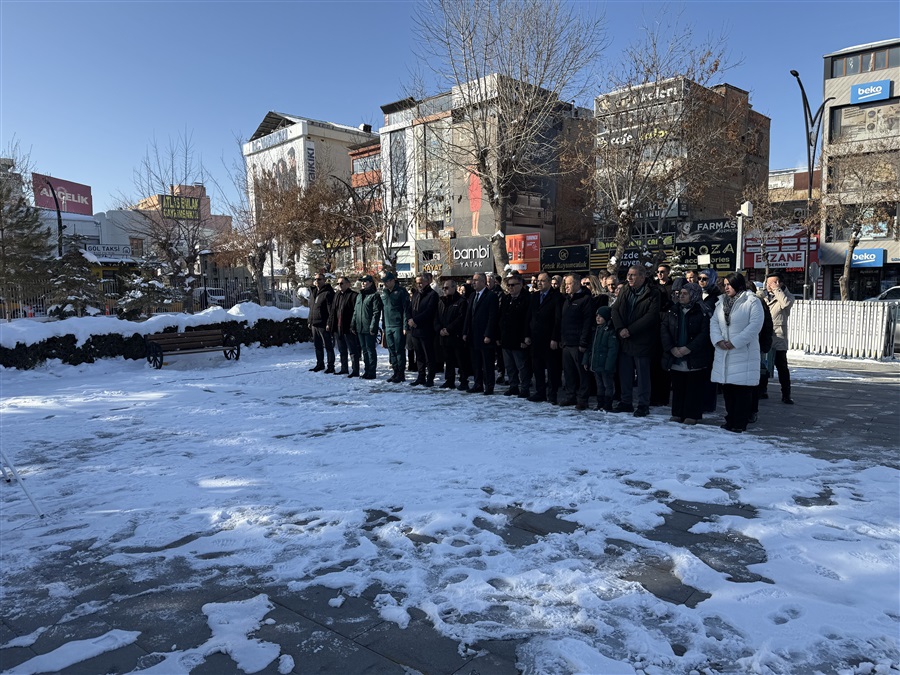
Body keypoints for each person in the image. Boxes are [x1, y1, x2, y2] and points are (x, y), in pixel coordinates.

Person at [710, 273, 764, 433]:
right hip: (724, 352)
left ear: (738, 284)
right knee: (728, 390)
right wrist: (718, 340)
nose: (726, 287)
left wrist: (735, 342)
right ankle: (730, 419)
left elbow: (755, 326)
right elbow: (714, 322)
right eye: (725, 284)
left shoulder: (752, 301)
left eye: (729, 284)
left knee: (742, 390)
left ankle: (740, 422)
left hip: (743, 352)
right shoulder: (721, 302)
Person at [611, 265, 661, 417]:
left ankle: (643, 404)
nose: (629, 277)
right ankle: (626, 402)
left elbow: (651, 316)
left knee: (642, 374)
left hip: (642, 339)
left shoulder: (653, 292)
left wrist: (630, 330)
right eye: (628, 274)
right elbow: (615, 309)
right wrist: (620, 328)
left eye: (633, 275)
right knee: (625, 372)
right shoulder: (625, 290)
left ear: (642, 277)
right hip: (624, 338)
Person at [660, 283, 713, 425]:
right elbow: (664, 329)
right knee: (678, 387)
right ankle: (677, 413)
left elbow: (705, 334)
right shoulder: (673, 310)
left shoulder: (703, 311)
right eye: (680, 293)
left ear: (693, 295)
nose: (681, 296)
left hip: (694, 356)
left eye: (685, 293)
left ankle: (692, 414)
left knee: (693, 388)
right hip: (675, 355)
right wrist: (671, 348)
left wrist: (689, 348)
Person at [525, 271, 562, 403]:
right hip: (536, 338)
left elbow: (558, 319)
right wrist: (527, 335)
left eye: (542, 281)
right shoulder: (534, 296)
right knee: (537, 367)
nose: (539, 283)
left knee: (552, 368)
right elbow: (529, 316)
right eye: (538, 281)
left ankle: (552, 394)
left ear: (549, 282)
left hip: (549, 338)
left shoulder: (557, 296)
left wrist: (555, 338)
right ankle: (540, 392)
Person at [558, 274, 594, 410]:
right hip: (566, 342)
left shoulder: (585, 299)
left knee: (582, 373)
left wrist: (583, 342)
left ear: (577, 284)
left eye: (569, 283)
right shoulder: (566, 299)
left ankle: (583, 399)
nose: (566, 286)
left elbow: (587, 322)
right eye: (565, 284)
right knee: (568, 372)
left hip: (578, 343)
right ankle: (570, 396)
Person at [759, 272, 795, 404]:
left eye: (773, 282)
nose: (769, 285)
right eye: (768, 283)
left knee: (781, 366)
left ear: (780, 283)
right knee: (763, 365)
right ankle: (762, 390)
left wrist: (777, 290)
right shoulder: (762, 295)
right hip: (765, 334)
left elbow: (785, 304)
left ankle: (786, 394)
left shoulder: (787, 296)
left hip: (778, 335)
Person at [463, 272, 499, 395]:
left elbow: (492, 317)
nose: (473, 282)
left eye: (476, 280)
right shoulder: (473, 295)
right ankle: (478, 384)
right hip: (473, 335)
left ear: (483, 282)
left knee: (487, 363)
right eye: (473, 280)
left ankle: (489, 386)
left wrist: (488, 334)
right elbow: (468, 315)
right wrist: (465, 332)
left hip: (484, 335)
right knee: (476, 362)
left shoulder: (491, 296)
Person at [497, 274, 531, 398]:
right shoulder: (506, 298)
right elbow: (501, 318)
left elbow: (527, 320)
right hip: (506, 337)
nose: (510, 287)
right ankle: (513, 386)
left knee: (522, 366)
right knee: (509, 366)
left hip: (519, 338)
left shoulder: (527, 298)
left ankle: (525, 388)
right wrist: (499, 336)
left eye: (513, 285)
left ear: (521, 285)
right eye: (508, 285)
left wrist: (525, 337)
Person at [434, 279, 469, 390]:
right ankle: (449, 380)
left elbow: (461, 318)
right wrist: (439, 329)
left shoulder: (461, 301)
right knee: (448, 360)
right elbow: (436, 317)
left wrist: (449, 329)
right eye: (443, 288)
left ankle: (464, 381)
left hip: (456, 335)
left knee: (460, 360)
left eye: (447, 288)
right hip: (444, 335)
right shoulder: (441, 301)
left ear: (454, 287)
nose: (444, 290)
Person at [380, 271, 411, 383]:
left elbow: (405, 310)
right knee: (391, 350)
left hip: (398, 325)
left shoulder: (401, 292)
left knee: (399, 350)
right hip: (388, 325)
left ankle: (401, 374)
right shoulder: (384, 293)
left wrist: (405, 326)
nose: (385, 284)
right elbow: (384, 310)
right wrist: (384, 327)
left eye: (387, 281)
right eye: (384, 282)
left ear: (393, 280)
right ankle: (395, 372)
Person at [586, 305, 618, 411]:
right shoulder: (596, 330)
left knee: (607, 385)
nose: (598, 318)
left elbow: (612, 350)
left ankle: (607, 404)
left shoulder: (610, 331)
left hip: (605, 365)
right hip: (596, 364)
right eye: (597, 316)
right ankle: (600, 403)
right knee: (599, 385)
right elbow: (591, 347)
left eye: (601, 316)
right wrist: (587, 361)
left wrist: (609, 365)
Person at [408, 275, 438, 387]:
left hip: (426, 329)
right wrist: (409, 319)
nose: (419, 285)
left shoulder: (432, 295)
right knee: (419, 355)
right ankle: (421, 376)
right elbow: (410, 308)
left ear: (427, 282)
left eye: (421, 282)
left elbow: (429, 311)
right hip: (415, 329)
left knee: (428, 355)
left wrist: (415, 320)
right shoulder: (416, 294)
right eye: (417, 283)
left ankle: (430, 378)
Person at [351, 275, 383, 379]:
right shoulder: (360, 295)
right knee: (364, 350)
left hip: (369, 327)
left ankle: (372, 372)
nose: (363, 283)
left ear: (371, 283)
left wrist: (373, 326)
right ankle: (367, 370)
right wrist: (353, 324)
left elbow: (376, 312)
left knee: (370, 350)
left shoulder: (374, 295)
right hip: (360, 327)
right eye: (362, 281)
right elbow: (355, 311)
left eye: (365, 281)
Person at [327, 276, 359, 376]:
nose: (339, 285)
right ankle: (344, 368)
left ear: (348, 284)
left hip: (348, 327)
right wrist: (329, 323)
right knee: (342, 350)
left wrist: (353, 326)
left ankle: (355, 370)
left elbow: (356, 313)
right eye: (338, 284)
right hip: (338, 327)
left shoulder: (353, 295)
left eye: (341, 283)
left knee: (353, 350)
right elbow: (332, 311)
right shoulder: (337, 295)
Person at [308, 274, 336, 373]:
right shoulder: (313, 292)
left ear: (324, 280)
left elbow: (331, 310)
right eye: (315, 279)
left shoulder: (328, 292)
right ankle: (320, 364)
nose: (317, 281)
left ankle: (331, 366)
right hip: (314, 323)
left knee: (328, 346)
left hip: (323, 324)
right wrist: (310, 321)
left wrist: (329, 323)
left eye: (319, 279)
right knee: (317, 346)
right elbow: (311, 308)